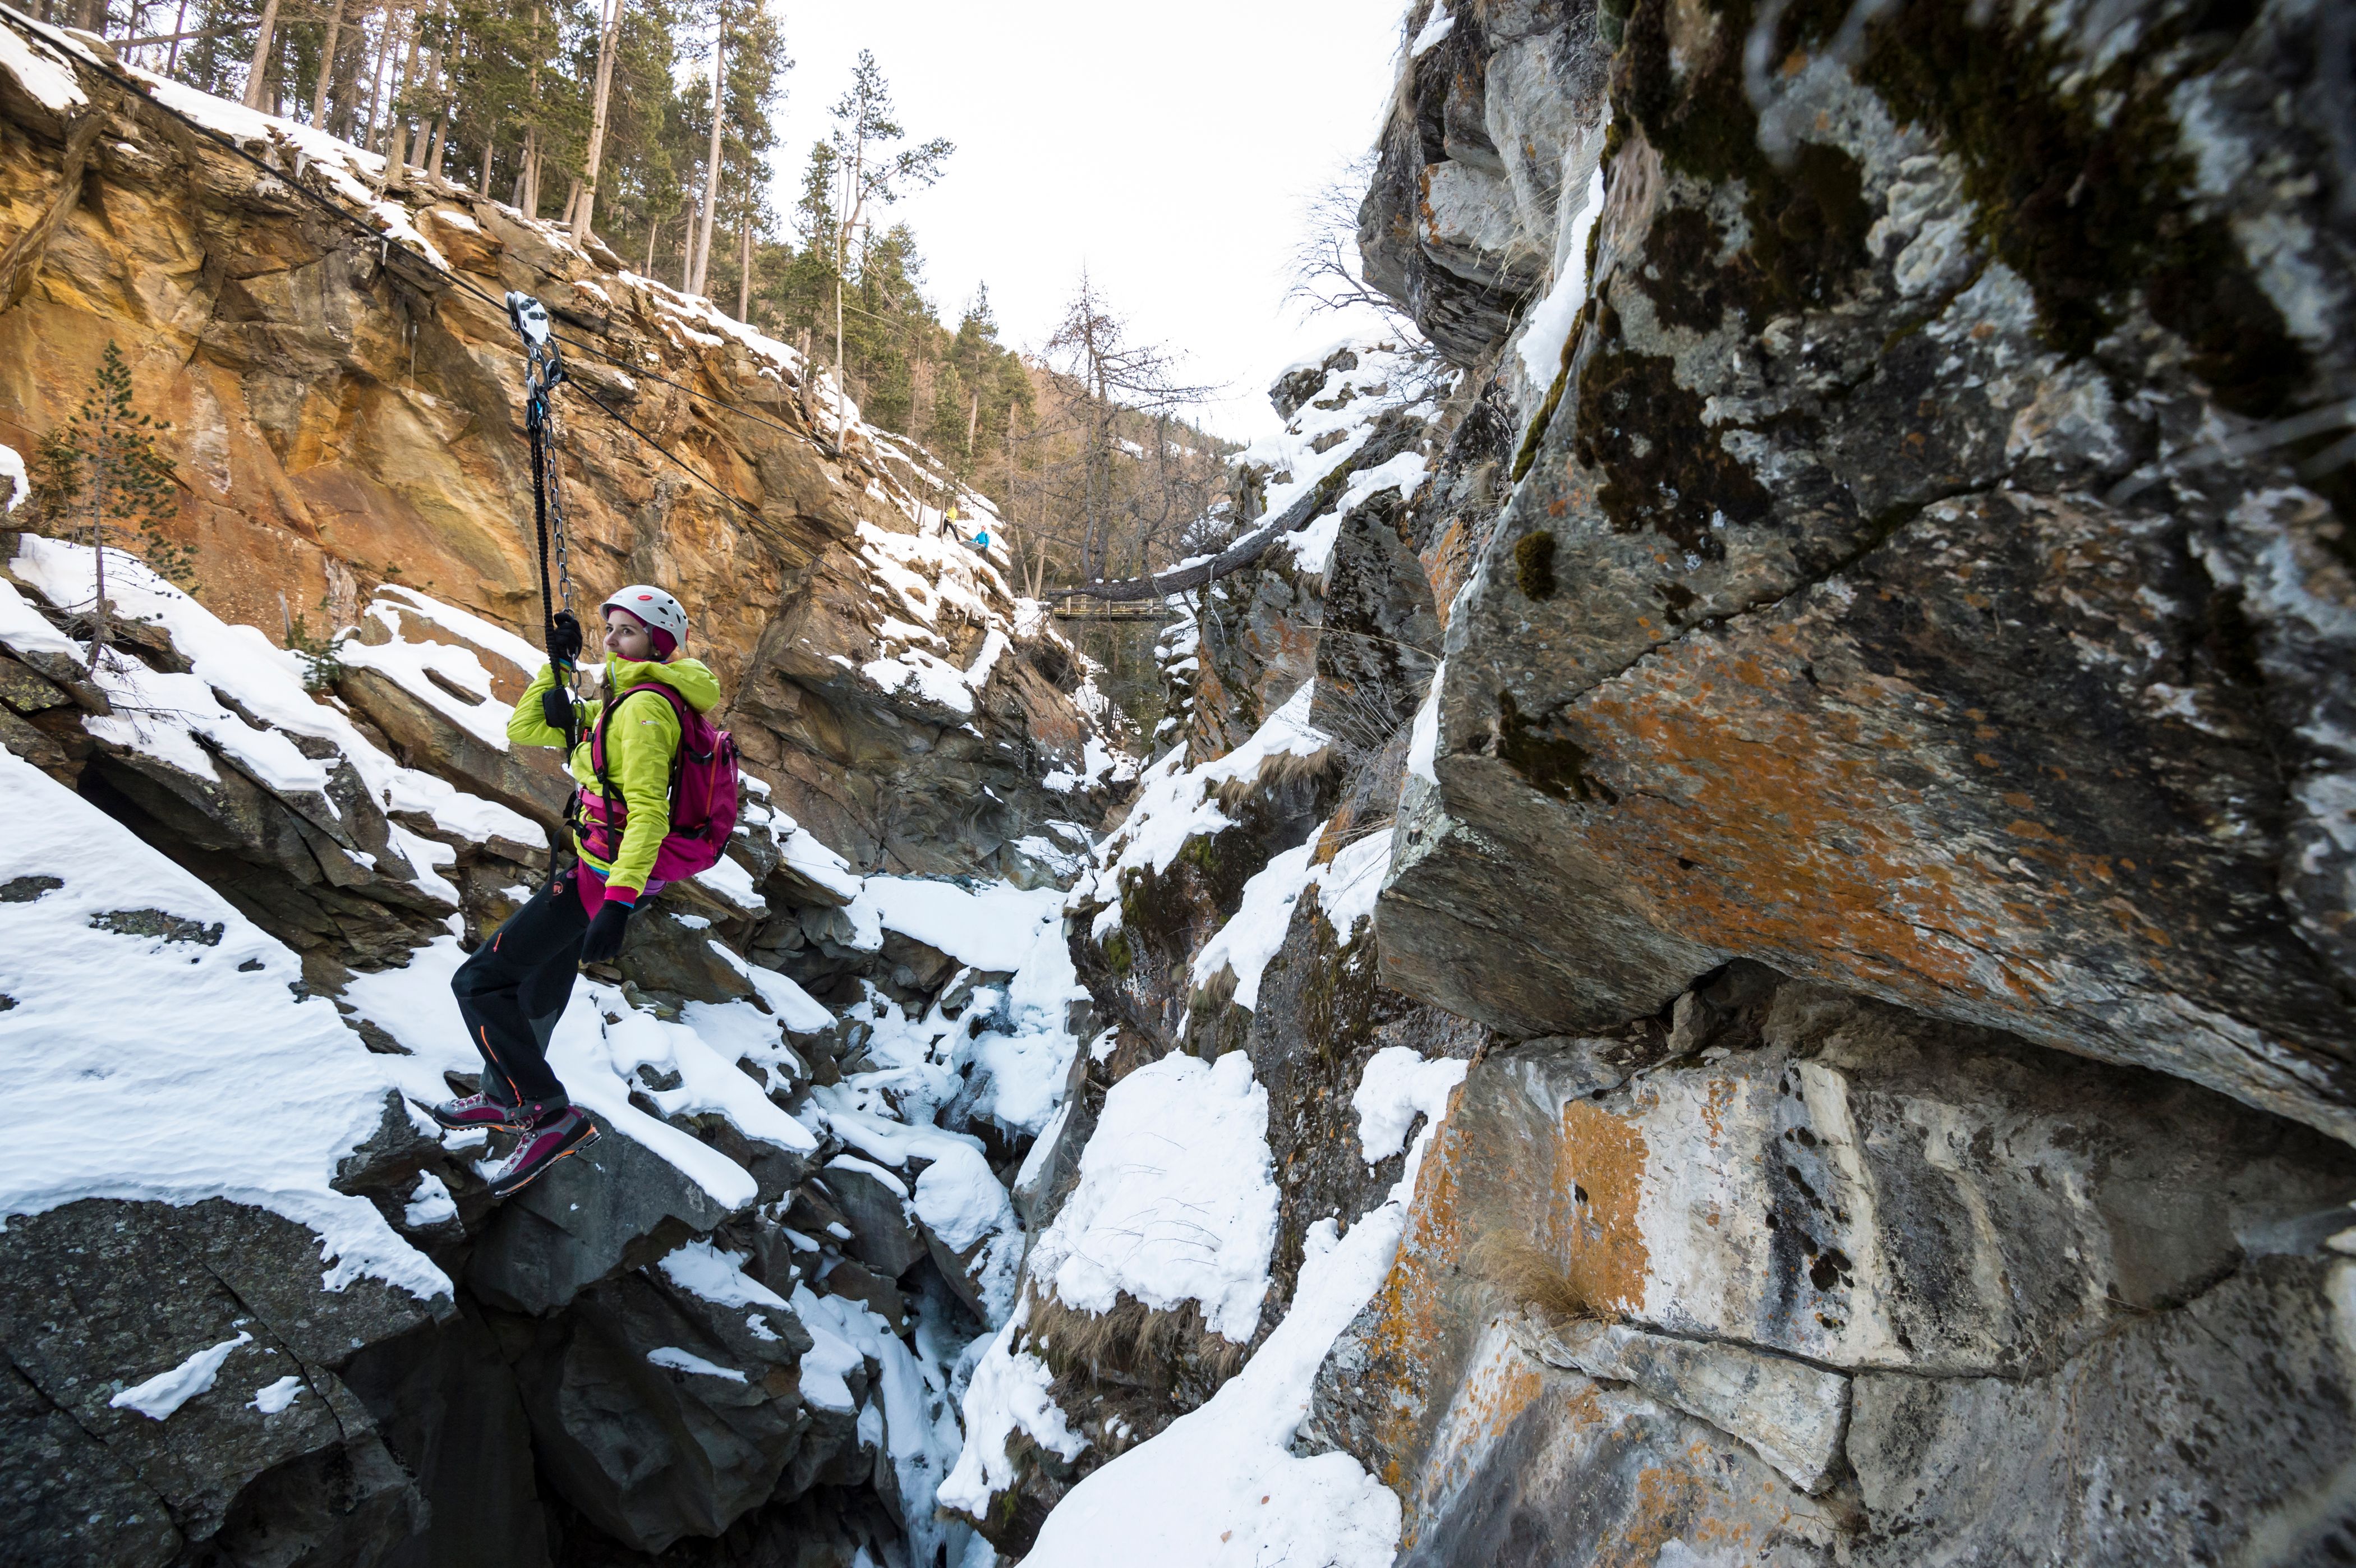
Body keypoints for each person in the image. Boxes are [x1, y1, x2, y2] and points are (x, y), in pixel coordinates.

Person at [427, 584, 722, 1198]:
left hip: (602, 878)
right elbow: (526, 726)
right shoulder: (623, 699)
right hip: (601, 869)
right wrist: (559, 667)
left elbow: (649, 814)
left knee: (479, 982)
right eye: (609, 628)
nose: (611, 640)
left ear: (659, 643)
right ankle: (502, 1093)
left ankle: (546, 1114)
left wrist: (617, 902)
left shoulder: (645, 709)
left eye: (628, 631)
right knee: (538, 983)